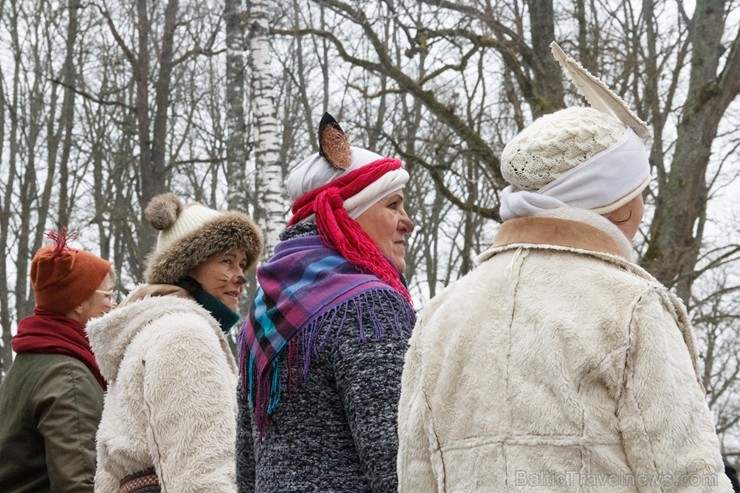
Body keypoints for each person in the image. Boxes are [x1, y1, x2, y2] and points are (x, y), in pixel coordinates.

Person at [397, 42, 731, 491]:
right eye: (639, 189)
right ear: (617, 204)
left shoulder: (440, 313)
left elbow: (416, 476)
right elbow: (688, 477)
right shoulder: (630, 306)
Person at [236, 113, 417, 492]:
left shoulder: (265, 310)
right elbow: (397, 459)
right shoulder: (369, 306)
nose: (408, 222)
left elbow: (247, 466)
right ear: (346, 214)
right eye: (393, 205)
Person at [86, 193, 263, 492]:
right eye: (227, 261)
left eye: (242, 263)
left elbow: (108, 477)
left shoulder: (149, 332)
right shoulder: (185, 335)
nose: (240, 276)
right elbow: (204, 472)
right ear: (186, 265)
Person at [0, 228, 117, 493]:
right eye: (107, 296)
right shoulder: (67, 375)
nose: (113, 306)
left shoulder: (34, 357)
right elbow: (79, 485)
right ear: (77, 303)